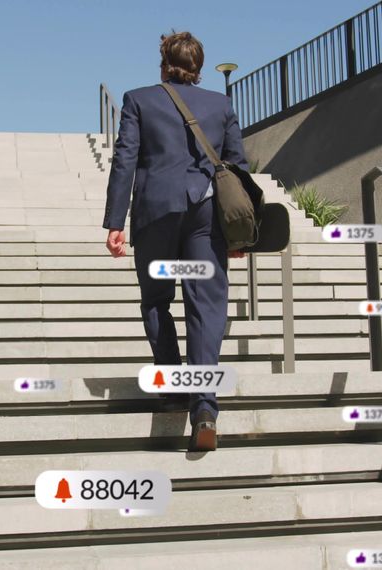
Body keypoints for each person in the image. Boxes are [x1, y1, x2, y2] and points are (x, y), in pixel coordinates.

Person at [102, 31, 249, 452]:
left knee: (156, 300)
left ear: (163, 61)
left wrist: (116, 222)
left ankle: (172, 384)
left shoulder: (139, 100)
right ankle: (204, 406)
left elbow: (125, 158)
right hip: (206, 214)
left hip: (156, 213)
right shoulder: (221, 105)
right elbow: (236, 167)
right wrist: (237, 233)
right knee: (206, 306)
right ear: (199, 67)